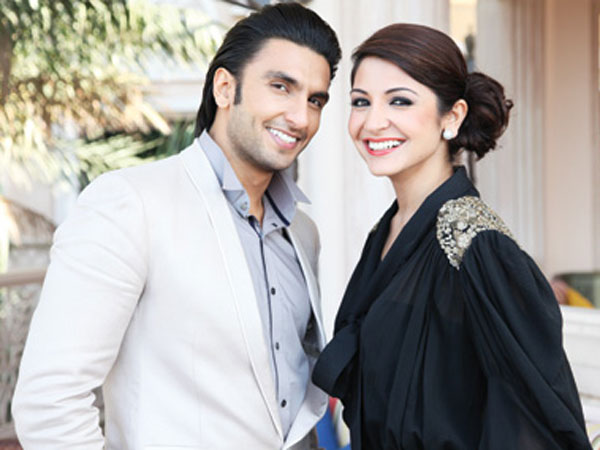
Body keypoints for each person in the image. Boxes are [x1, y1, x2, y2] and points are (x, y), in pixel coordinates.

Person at [12, 3, 341, 449]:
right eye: (281, 87)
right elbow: (49, 401)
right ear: (225, 88)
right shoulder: (130, 202)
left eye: (315, 100)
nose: (301, 117)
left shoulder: (302, 232)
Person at [312, 23, 592, 450]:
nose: (373, 121)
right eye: (360, 102)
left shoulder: (479, 247)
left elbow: (536, 423)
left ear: (453, 116)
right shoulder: (386, 231)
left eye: (400, 101)